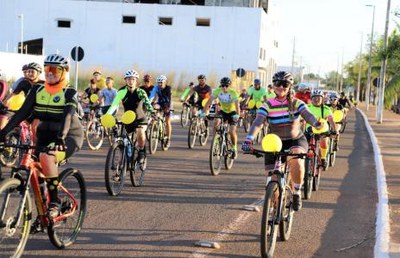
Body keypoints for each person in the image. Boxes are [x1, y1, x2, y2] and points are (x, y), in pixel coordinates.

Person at [0, 54, 84, 218]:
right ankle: (43, 209)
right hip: (45, 134)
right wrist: (3, 133)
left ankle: (55, 202)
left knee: (46, 157)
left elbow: (67, 116)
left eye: (54, 69)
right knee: (35, 169)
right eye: (47, 69)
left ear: (64, 72)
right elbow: (21, 114)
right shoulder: (37, 90)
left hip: (68, 136)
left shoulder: (69, 92)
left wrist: (61, 137)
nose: (49, 73)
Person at [241, 71, 322, 211]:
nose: (281, 87)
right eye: (278, 83)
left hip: (295, 140)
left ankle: (296, 191)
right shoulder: (267, 104)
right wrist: (249, 139)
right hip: (274, 143)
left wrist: (315, 123)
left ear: (290, 86)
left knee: (296, 159)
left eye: (285, 84)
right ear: (273, 85)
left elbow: (307, 115)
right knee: (272, 180)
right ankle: (275, 212)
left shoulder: (297, 103)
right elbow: (258, 123)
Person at [106, 69, 153, 162]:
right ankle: (122, 162)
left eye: (133, 79)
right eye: (128, 79)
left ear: (136, 81)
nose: (131, 81)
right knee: (123, 139)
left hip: (140, 119)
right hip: (127, 118)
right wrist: (107, 115)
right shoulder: (122, 91)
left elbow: (147, 103)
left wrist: (152, 111)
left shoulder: (140, 92)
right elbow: (114, 104)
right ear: (125, 80)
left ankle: (141, 151)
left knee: (140, 131)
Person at [203, 77, 240, 159]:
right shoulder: (217, 91)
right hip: (223, 111)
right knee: (216, 123)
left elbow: (237, 105)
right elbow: (209, 102)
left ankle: (234, 148)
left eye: (226, 85)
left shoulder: (233, 93)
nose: (224, 87)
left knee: (231, 131)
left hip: (232, 112)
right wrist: (204, 112)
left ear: (229, 86)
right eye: (222, 85)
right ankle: (215, 140)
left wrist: (238, 114)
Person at [0, 62, 44, 129]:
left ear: (38, 73)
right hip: (26, 109)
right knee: (4, 121)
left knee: (34, 127)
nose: (29, 74)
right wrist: (4, 104)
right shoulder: (23, 83)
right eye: (28, 71)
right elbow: (13, 95)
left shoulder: (43, 84)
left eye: (32, 72)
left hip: (39, 110)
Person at [306, 89, 336, 168]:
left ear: (322, 99)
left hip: (322, 130)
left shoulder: (326, 109)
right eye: (314, 97)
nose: (316, 99)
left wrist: (334, 130)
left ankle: (323, 158)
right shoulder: (307, 107)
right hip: (309, 130)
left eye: (318, 98)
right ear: (311, 99)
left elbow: (331, 120)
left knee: (324, 141)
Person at [149, 75, 173, 148]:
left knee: (167, 121)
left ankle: (168, 139)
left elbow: (169, 98)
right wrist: (149, 103)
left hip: (168, 104)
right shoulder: (156, 88)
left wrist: (167, 108)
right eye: (158, 83)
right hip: (160, 103)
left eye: (161, 83)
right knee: (154, 111)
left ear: (165, 82)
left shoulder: (168, 88)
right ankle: (155, 127)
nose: (160, 84)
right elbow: (152, 96)